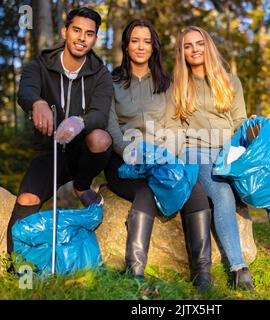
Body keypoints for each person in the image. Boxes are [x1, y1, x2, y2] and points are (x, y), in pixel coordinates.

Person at [167, 26, 270, 292]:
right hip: (196, 152)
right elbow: (174, 130)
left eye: (199, 43)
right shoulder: (176, 86)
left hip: (230, 151)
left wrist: (252, 130)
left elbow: (238, 122)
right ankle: (238, 269)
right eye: (188, 46)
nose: (194, 49)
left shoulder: (230, 81)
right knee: (223, 196)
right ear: (182, 52)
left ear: (208, 46)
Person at [105, 20, 212, 292]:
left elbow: (174, 125)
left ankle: (203, 277)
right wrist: (129, 152)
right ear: (126, 45)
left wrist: (165, 156)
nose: (141, 46)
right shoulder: (111, 81)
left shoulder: (166, 84)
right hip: (124, 161)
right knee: (145, 193)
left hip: (161, 158)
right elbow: (111, 126)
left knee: (195, 190)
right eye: (135, 40)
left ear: (154, 47)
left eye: (147, 41)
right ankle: (135, 275)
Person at [6, 7, 113, 257]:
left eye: (89, 33)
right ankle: (16, 270)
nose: (81, 38)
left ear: (95, 38)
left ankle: (81, 186)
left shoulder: (101, 73)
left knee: (100, 138)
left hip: (83, 153)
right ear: (65, 31)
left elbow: (100, 113)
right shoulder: (40, 65)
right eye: (76, 30)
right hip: (50, 152)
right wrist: (38, 102)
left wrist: (79, 121)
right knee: (27, 200)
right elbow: (25, 91)